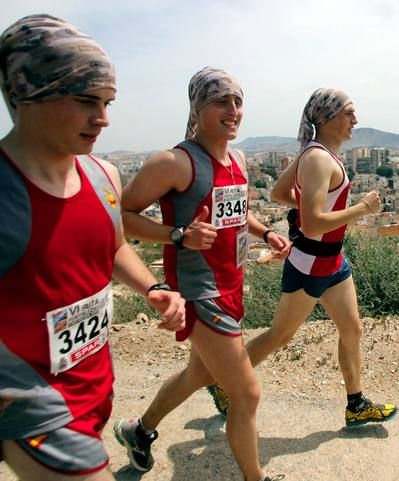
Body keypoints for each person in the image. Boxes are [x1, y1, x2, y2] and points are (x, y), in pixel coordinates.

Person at [0, 14, 186, 481]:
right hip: (32, 404)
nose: (102, 118)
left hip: (93, 385)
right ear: (27, 93)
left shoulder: (103, 177)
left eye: (107, 102)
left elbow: (113, 245)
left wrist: (151, 288)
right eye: (85, 100)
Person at [114, 67, 289, 481]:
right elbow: (119, 218)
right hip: (197, 292)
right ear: (198, 106)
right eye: (221, 101)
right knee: (246, 393)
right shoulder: (174, 162)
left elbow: (236, 213)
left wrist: (266, 233)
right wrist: (178, 235)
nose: (233, 110)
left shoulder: (239, 159)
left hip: (231, 285)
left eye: (238, 101)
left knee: (200, 373)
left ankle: (139, 431)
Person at [209, 88, 398, 428]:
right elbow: (311, 225)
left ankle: (356, 404)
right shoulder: (318, 159)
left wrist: (313, 206)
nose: (355, 119)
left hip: (332, 261)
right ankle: (225, 381)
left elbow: (279, 193)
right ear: (326, 119)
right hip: (312, 261)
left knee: (352, 329)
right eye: (348, 113)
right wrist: (362, 209)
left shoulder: (315, 153)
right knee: (279, 336)